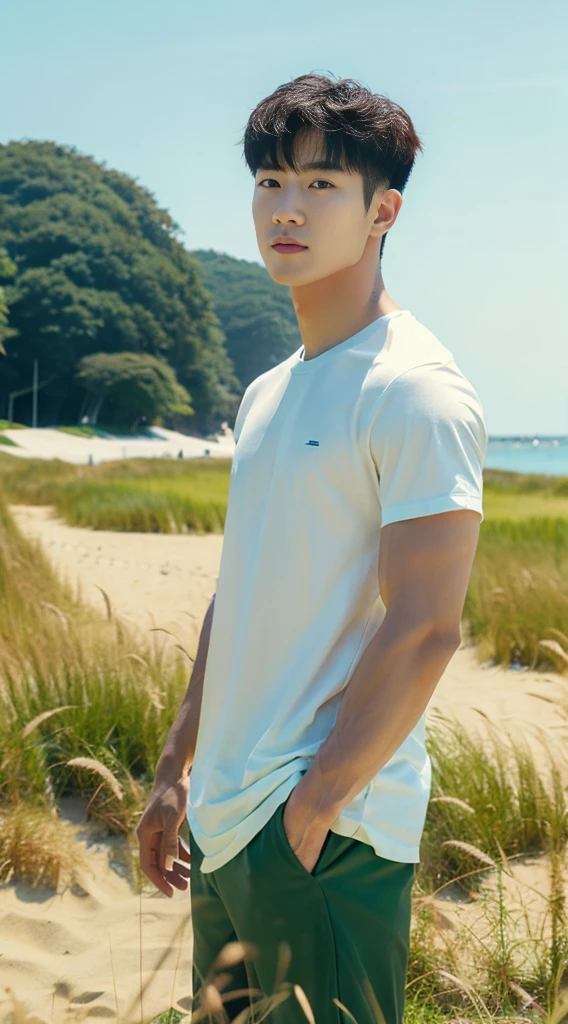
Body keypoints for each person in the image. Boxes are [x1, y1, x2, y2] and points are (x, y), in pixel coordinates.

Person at [136, 72, 488, 1023]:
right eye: (268, 182)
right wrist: (177, 770)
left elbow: (427, 627)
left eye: (321, 185)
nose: (286, 208)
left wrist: (316, 805)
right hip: (223, 820)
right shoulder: (267, 391)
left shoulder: (415, 387)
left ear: (384, 210)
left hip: (324, 833)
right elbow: (240, 593)